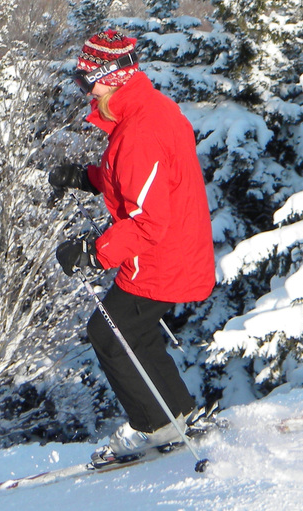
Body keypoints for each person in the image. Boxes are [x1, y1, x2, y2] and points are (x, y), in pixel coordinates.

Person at [49, 29, 217, 462]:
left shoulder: (138, 129)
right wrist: (86, 178)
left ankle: (154, 426)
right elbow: (137, 178)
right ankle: (176, 414)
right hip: (178, 247)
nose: (85, 91)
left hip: (161, 257)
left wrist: (93, 251)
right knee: (135, 332)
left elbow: (147, 220)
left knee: (108, 333)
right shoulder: (148, 111)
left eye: (87, 81)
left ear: (111, 77)